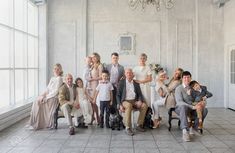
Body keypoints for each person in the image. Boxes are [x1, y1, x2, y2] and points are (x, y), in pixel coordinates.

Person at [28, 63, 63, 130]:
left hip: (53, 98)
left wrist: (46, 97)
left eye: (58, 69)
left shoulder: (59, 79)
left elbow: (55, 91)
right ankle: (34, 122)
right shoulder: (52, 78)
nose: (56, 70)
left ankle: (38, 123)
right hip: (48, 96)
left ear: (60, 70)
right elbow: (47, 89)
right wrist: (42, 95)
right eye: (55, 69)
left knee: (38, 102)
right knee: (36, 100)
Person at [175, 71, 208, 142]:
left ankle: (194, 128)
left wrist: (202, 102)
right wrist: (192, 107)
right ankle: (185, 131)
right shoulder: (179, 88)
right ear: (182, 78)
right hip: (181, 108)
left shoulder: (193, 87)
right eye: (185, 77)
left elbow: (198, 97)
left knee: (205, 110)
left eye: (188, 77)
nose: (186, 79)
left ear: (190, 78)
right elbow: (179, 102)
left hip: (193, 108)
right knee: (183, 107)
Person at [117, 68, 148, 136]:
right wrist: (120, 105)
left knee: (144, 106)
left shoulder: (136, 83)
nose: (129, 74)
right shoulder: (121, 82)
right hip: (125, 101)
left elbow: (139, 94)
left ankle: (139, 125)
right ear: (125, 74)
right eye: (127, 73)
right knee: (128, 105)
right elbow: (118, 95)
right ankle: (128, 127)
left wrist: (140, 100)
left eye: (130, 73)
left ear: (132, 74)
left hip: (134, 100)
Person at [87, 52, 103, 125]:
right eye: (92, 57)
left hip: (95, 85)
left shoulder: (100, 66)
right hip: (90, 85)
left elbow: (101, 77)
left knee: (94, 102)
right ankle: (92, 117)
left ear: (97, 57)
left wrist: (92, 79)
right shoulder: (91, 65)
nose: (93, 59)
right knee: (91, 102)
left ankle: (97, 117)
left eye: (94, 57)